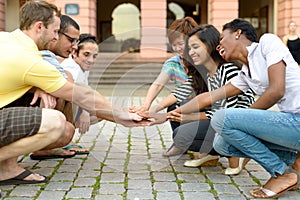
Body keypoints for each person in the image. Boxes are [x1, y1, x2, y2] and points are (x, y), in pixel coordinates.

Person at [0, 0, 148, 186]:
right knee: (56, 122)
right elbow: (79, 94)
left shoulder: (6, 38)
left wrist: (36, 86)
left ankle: (7, 167)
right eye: (55, 31)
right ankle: (4, 166)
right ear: (39, 27)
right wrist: (122, 114)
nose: (55, 37)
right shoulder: (29, 59)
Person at [158, 18, 300, 198]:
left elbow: (276, 90)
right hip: (292, 127)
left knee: (222, 119)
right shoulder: (246, 73)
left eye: (222, 38)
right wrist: (167, 115)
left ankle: (281, 173)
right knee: (221, 143)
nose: (218, 46)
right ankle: (295, 167)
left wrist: (243, 121)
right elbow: (208, 97)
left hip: (296, 122)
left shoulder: (267, 43)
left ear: (237, 34)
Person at [150, 24, 254, 175]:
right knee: (178, 122)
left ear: (210, 46)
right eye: (189, 49)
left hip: (239, 124)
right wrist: (153, 110)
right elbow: (180, 92)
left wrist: (188, 117)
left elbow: (226, 114)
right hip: (221, 119)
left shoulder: (228, 70)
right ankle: (212, 155)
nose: (191, 52)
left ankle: (240, 151)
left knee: (182, 134)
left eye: (195, 47)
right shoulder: (205, 73)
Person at [29, 14, 81, 160]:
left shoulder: (51, 55)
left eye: (77, 41)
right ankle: (45, 145)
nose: (74, 46)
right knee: (62, 88)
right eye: (71, 40)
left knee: (66, 82)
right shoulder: (41, 52)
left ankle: (53, 144)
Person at [129, 17, 197, 120]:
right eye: (174, 45)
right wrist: (146, 106)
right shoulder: (173, 63)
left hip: (204, 106)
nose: (178, 48)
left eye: (181, 44)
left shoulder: (201, 60)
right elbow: (158, 84)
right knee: (174, 107)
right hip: (183, 104)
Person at [61, 33, 100, 154]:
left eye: (94, 56)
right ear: (74, 53)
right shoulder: (71, 68)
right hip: (55, 110)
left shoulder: (82, 67)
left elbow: (87, 93)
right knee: (74, 97)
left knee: (100, 111)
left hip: (67, 111)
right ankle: (63, 141)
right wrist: (84, 112)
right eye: (86, 54)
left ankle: (64, 138)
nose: (91, 60)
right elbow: (74, 93)